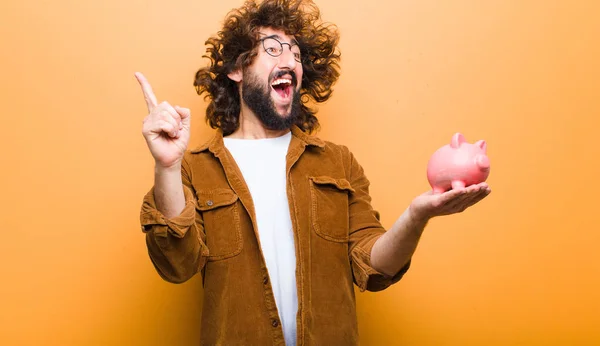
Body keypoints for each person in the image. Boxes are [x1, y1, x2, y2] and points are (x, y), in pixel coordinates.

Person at [135, 0, 491, 344]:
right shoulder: (197, 168)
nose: (290, 59)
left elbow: (373, 264)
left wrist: (417, 215)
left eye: (297, 53)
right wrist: (167, 166)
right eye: (273, 49)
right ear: (237, 69)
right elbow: (177, 266)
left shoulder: (337, 163)